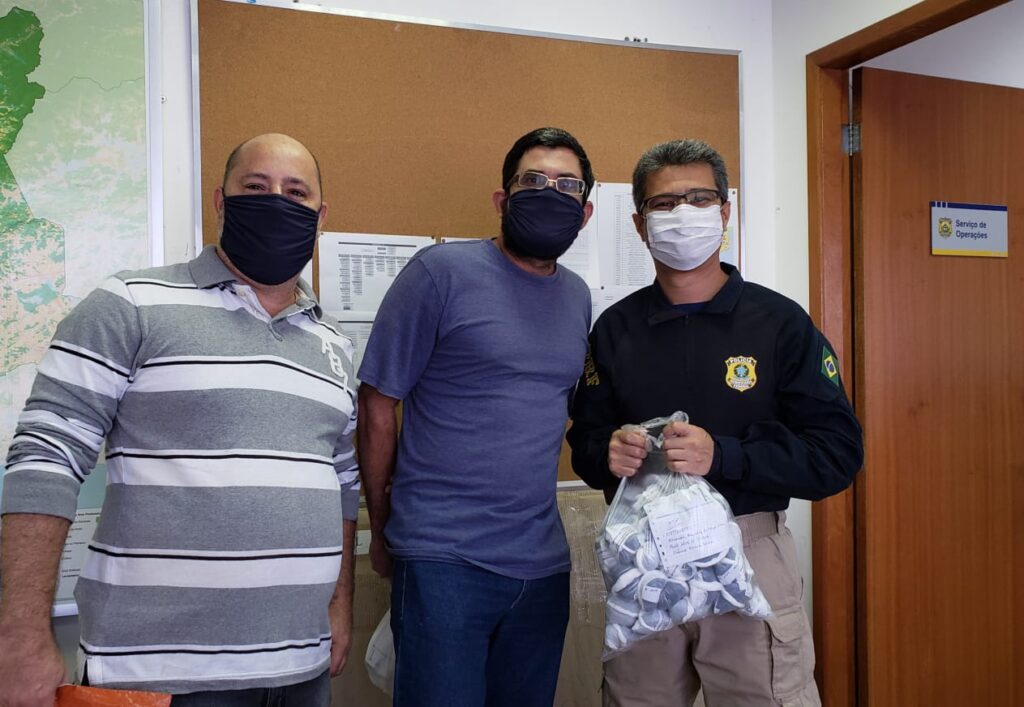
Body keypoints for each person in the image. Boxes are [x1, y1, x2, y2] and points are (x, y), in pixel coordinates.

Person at [0, 133, 359, 706]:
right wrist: (18, 633)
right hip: (157, 674)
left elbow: (342, 486)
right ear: (220, 201)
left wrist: (340, 607)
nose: (276, 201)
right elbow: (46, 458)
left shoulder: (333, 343)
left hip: (300, 668)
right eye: (255, 187)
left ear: (320, 216)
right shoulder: (129, 304)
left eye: (296, 193)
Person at [567, 139, 863, 707]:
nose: (682, 214)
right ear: (639, 223)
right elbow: (585, 442)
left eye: (699, 199)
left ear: (724, 213)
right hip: (644, 556)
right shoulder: (615, 329)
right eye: (663, 203)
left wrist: (724, 455)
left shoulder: (779, 323)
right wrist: (606, 452)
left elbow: (837, 454)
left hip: (750, 548)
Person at [357, 127, 594, 706]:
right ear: (502, 198)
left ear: (586, 212)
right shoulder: (439, 273)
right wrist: (384, 527)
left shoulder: (578, 296)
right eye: (533, 180)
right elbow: (377, 403)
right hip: (443, 559)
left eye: (567, 185)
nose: (550, 193)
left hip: (542, 565)